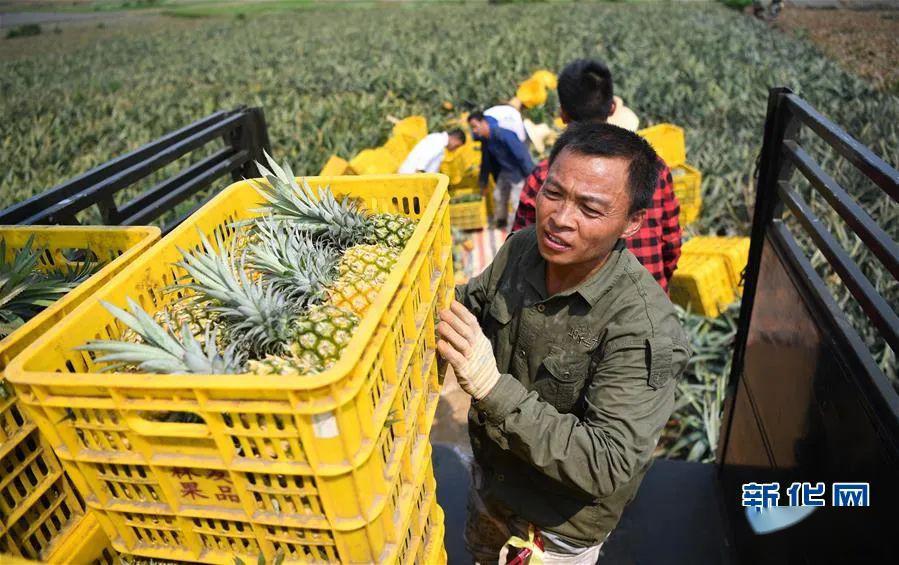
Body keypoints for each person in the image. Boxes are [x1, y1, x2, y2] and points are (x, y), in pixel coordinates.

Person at [438, 122, 691, 564]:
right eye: (553, 194)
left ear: (632, 223)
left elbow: (605, 462)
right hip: (493, 484)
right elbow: (471, 302)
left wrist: (491, 387)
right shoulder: (521, 249)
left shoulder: (644, 329)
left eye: (590, 209)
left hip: (553, 530)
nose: (560, 218)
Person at [512, 59, 682, 292]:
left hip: (572, 307)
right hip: (647, 290)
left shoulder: (548, 172)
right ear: (612, 108)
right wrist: (661, 285)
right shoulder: (654, 166)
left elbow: (519, 248)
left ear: (562, 114)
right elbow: (671, 240)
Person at [468, 111, 535, 228]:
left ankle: (514, 230)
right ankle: (501, 220)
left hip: (517, 172)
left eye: (475, 126)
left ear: (483, 123)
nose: (474, 130)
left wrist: (531, 177)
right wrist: (483, 183)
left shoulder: (504, 135)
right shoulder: (486, 140)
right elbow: (486, 162)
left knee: (516, 202)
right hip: (505, 172)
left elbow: (522, 155)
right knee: (498, 195)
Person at [397, 129, 466, 174]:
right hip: (413, 175)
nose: (455, 149)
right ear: (455, 139)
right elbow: (425, 157)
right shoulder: (438, 141)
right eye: (457, 146)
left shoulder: (438, 140)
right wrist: (420, 173)